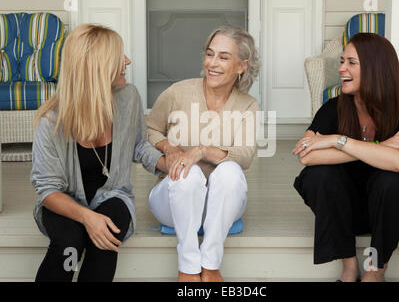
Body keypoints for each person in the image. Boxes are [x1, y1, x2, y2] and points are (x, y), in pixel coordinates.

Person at [31, 24, 167, 282]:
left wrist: (167, 162)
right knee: (69, 242)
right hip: (65, 200)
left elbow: (139, 145)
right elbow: (48, 190)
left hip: (112, 196)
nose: (127, 61)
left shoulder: (128, 97)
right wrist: (86, 217)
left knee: (107, 231)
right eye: (119, 57)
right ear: (97, 67)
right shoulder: (51, 121)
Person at [293, 33, 399, 282]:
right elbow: (306, 155)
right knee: (317, 175)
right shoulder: (333, 108)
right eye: (341, 60)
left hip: (396, 213)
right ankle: (349, 267)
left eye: (351, 63)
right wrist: (383, 147)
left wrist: (338, 141)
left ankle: (375, 270)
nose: (341, 69)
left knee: (392, 181)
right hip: (348, 212)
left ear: (376, 69)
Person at [146, 25, 260, 282]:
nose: (213, 63)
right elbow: (150, 129)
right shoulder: (178, 92)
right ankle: (188, 267)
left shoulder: (247, 105)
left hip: (221, 205)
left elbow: (244, 155)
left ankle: (210, 265)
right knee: (190, 174)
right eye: (210, 54)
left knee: (230, 169)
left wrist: (200, 151)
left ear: (242, 66)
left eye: (223, 56)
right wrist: (169, 147)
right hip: (174, 199)